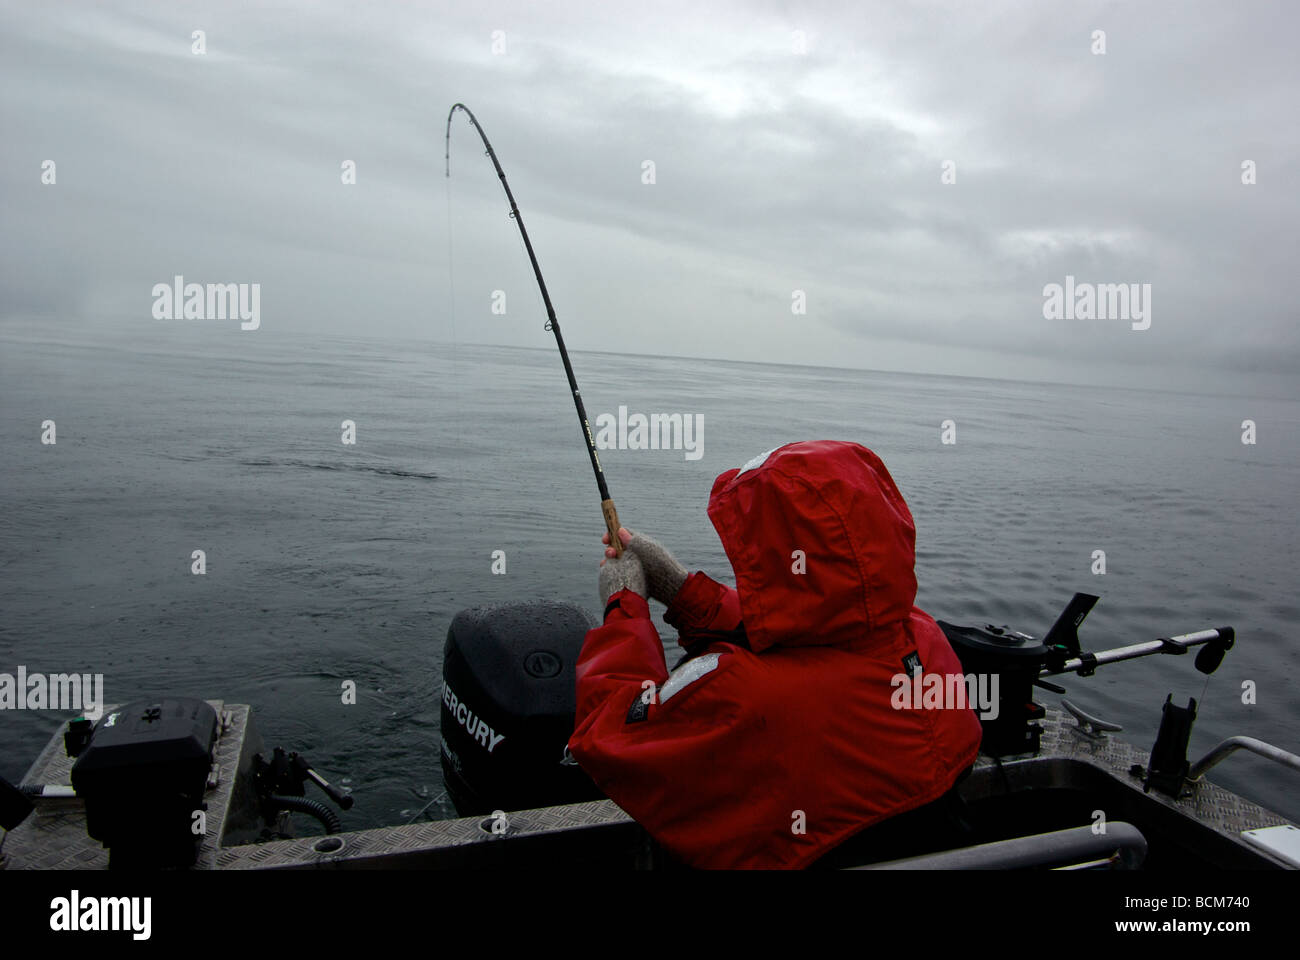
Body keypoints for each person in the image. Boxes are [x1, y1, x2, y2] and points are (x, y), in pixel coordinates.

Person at [566, 440, 982, 869]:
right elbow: (818, 627)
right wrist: (683, 590)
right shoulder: (926, 639)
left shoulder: (744, 696)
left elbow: (608, 734)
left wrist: (622, 607)